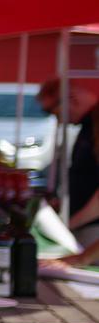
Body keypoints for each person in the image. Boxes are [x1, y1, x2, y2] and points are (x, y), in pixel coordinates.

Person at [39, 77, 98, 248]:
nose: (57, 118)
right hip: (83, 226)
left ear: (72, 98)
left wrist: (68, 225)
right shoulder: (87, 126)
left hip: (92, 231)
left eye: (52, 110)